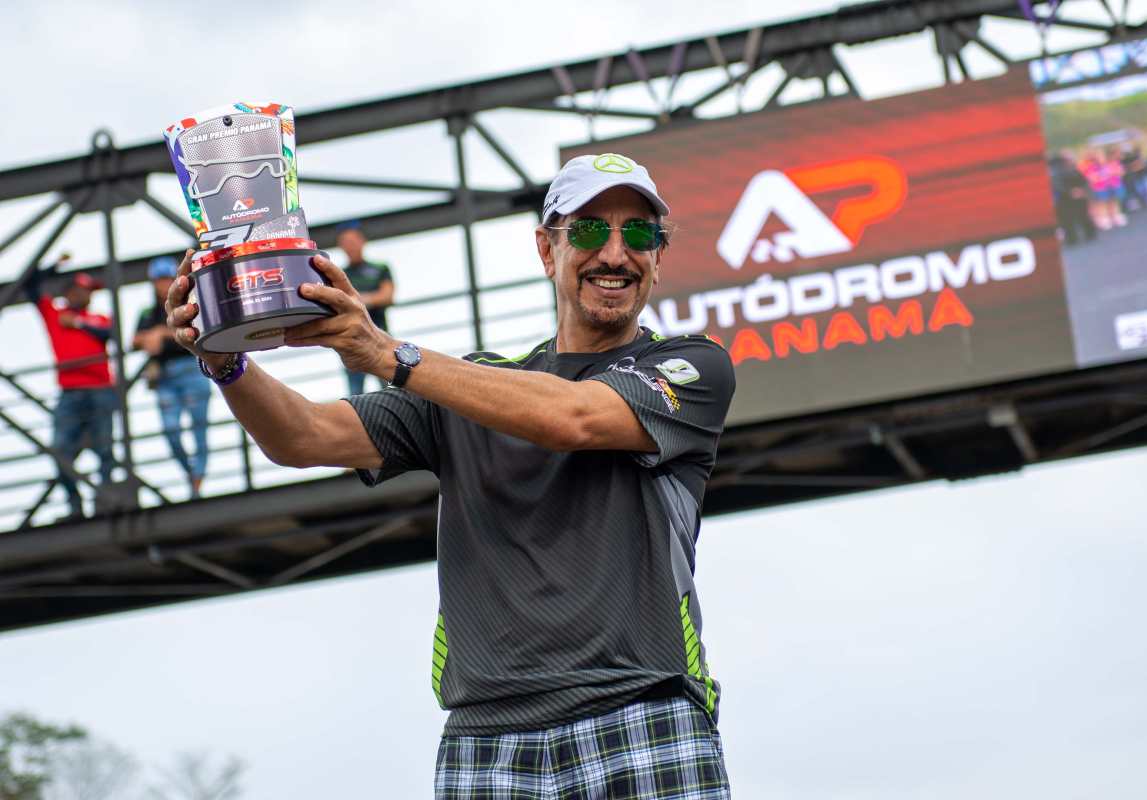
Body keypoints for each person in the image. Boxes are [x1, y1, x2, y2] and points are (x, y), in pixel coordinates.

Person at [166, 153, 735, 799]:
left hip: (644, 711)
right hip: (485, 738)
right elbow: (303, 437)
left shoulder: (693, 367)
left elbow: (573, 417)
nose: (614, 253)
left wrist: (385, 351)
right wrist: (225, 361)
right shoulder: (465, 389)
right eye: (586, 230)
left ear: (658, 259)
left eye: (638, 233)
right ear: (547, 250)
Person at [24, 257, 115, 519]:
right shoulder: (54, 314)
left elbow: (110, 333)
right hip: (70, 393)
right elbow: (29, 283)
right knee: (60, 451)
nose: (86, 295)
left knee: (105, 450)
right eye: (81, 290)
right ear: (68, 293)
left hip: (100, 390)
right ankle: (75, 505)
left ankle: (105, 502)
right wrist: (55, 266)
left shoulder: (97, 318)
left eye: (89, 291)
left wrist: (77, 323)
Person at [132, 256, 211, 498]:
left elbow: (199, 328)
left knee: (199, 428)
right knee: (171, 430)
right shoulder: (148, 311)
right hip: (165, 376)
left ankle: (198, 478)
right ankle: (191, 474)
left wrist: (161, 333)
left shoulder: (190, 303)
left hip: (192, 369)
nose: (163, 284)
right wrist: (147, 338)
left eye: (167, 279)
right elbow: (134, 340)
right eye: (159, 280)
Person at [336, 221, 394, 395]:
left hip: (380, 337)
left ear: (362, 241)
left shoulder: (380, 268)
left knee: (391, 389)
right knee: (356, 395)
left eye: (353, 241)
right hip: (351, 341)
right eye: (345, 242)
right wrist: (369, 299)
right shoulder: (339, 274)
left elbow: (387, 295)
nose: (350, 246)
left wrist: (357, 301)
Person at [1048, 151, 1096, 245]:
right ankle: (1074, 238)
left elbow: (1084, 181)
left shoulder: (1073, 169)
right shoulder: (1056, 171)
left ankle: (1087, 234)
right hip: (1065, 199)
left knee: (1082, 216)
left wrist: (1081, 190)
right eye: (1068, 159)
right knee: (1069, 220)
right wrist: (1071, 192)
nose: (1070, 160)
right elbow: (1057, 185)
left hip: (1077, 197)